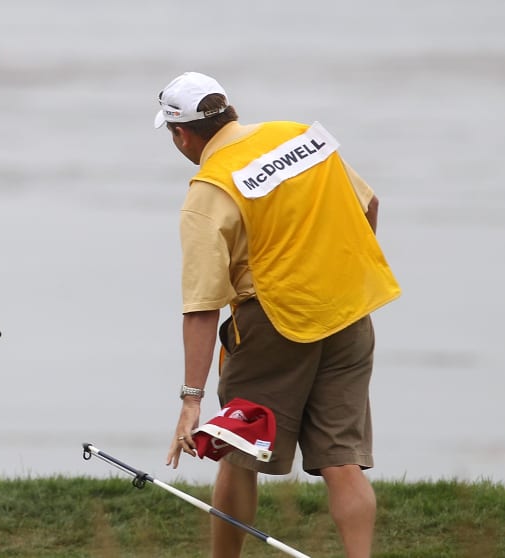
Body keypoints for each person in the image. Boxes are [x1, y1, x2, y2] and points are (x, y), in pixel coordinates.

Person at [157, 72, 400, 558]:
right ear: (229, 110)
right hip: (347, 314)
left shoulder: (208, 190)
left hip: (272, 326)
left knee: (238, 454)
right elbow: (369, 205)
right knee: (342, 460)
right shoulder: (299, 138)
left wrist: (191, 399)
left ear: (181, 133)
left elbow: (202, 306)